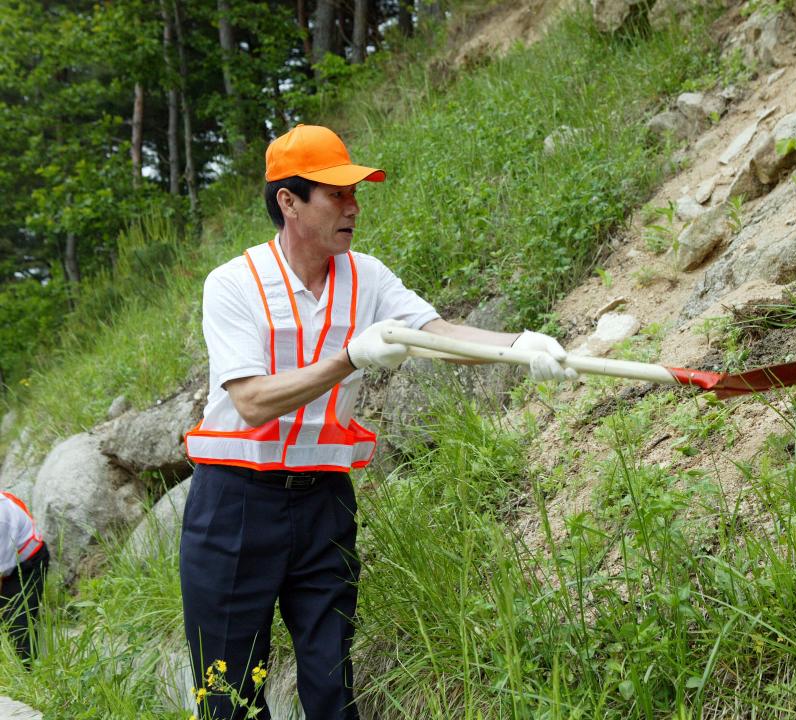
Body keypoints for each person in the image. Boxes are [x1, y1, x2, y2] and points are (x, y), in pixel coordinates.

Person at [181, 123, 576, 719]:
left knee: (333, 688)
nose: (352, 207)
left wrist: (522, 345)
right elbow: (253, 401)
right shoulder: (233, 285)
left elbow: (435, 335)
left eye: (355, 193)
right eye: (336, 194)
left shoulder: (366, 274)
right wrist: (347, 359)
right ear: (288, 201)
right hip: (234, 505)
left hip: (323, 504)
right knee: (227, 697)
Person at [0, 491, 49, 665]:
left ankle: (30, 677)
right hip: (6, 561)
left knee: (18, 626)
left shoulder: (1, 520)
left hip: (28, 564)